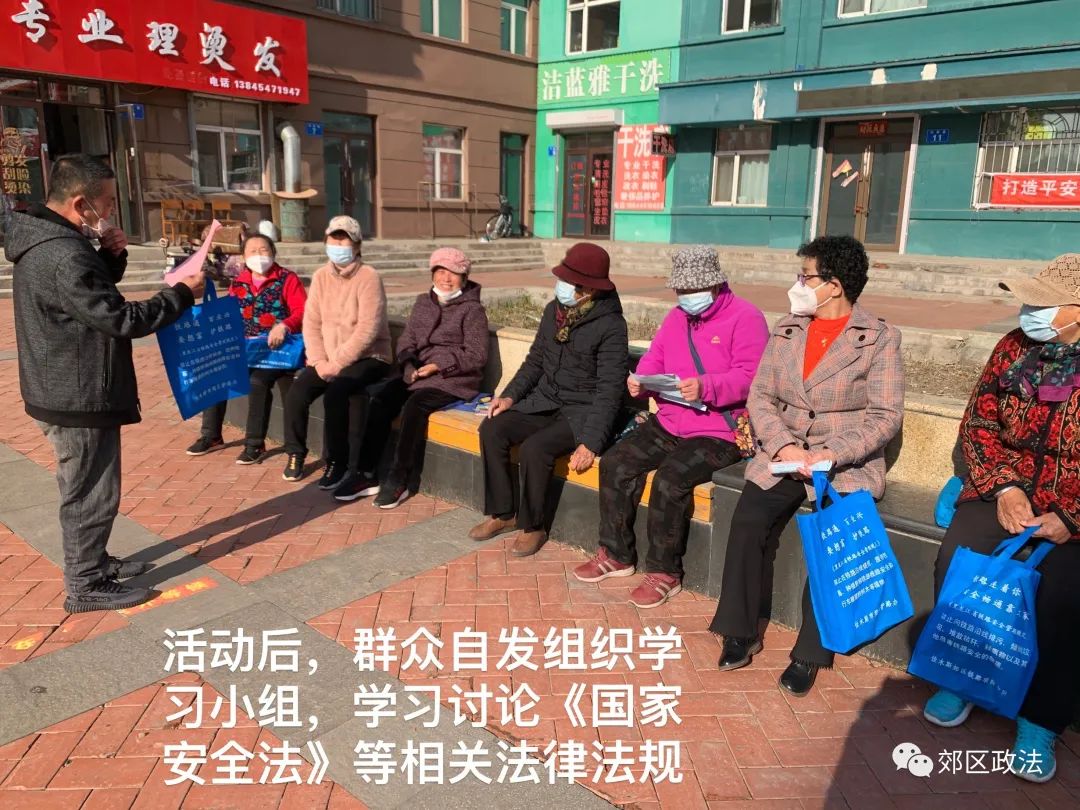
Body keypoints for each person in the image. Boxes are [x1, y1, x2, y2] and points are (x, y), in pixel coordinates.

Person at [8, 153, 205, 613]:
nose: (112, 210)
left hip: (63, 384)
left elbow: (85, 298)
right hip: (76, 394)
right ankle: (85, 584)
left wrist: (110, 257)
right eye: (108, 202)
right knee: (90, 492)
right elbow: (120, 318)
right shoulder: (62, 254)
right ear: (81, 204)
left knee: (88, 487)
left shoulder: (51, 239)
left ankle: (94, 561)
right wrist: (180, 295)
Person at [709, 235, 904, 696]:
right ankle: (738, 630)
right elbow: (761, 396)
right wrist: (782, 447)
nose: (798, 284)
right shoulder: (788, 328)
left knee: (833, 536)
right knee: (749, 519)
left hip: (842, 461)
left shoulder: (879, 338)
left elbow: (885, 416)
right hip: (785, 454)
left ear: (834, 285)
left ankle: (810, 653)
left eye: (806, 276)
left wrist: (830, 454)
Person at [919, 254, 1080, 784]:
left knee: (1062, 595)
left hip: (1071, 506)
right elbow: (979, 423)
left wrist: (1070, 517)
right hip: (1006, 487)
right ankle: (961, 676)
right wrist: (1005, 488)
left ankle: (1041, 718)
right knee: (957, 556)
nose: (1029, 311)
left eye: (1043, 303)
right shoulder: (1013, 347)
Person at [573, 246, 770, 608]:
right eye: (681, 290)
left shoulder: (747, 318)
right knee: (616, 462)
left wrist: (707, 386)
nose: (686, 296)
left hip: (719, 431)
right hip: (669, 420)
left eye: (692, 290)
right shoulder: (676, 317)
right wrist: (641, 381)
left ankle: (665, 572)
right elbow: (655, 358)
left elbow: (751, 377)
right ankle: (616, 554)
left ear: (715, 284)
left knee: (670, 479)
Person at [469, 243, 629, 557]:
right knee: (493, 429)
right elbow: (535, 361)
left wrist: (591, 442)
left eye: (570, 282)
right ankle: (503, 513)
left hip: (581, 413)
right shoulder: (553, 311)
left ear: (589, 290)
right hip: (545, 399)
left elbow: (610, 389)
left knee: (535, 448)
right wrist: (510, 396)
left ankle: (533, 526)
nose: (562, 286)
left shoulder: (611, 325)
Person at [358, 248, 489, 508]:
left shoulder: (473, 310)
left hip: (452, 378)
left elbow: (477, 355)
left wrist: (438, 366)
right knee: (381, 398)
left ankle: (399, 478)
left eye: (453, 273)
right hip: (416, 372)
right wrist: (408, 364)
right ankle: (365, 472)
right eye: (440, 271)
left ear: (464, 277)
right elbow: (407, 339)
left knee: (415, 407)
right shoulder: (423, 302)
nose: (446, 278)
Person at [281, 216, 392, 497]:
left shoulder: (369, 277)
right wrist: (319, 361)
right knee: (298, 391)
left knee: (337, 393)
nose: (339, 245)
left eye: (345, 240)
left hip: (370, 357)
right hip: (327, 358)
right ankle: (295, 453)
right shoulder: (320, 276)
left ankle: (337, 463)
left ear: (357, 245)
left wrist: (337, 363)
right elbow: (311, 323)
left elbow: (368, 330)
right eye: (334, 239)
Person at [186, 234, 306, 464]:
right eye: (252, 251)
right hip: (245, 348)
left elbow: (302, 310)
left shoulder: (287, 279)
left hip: (275, 351)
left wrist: (284, 326)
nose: (259, 255)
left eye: (264, 250)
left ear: (273, 252)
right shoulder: (239, 281)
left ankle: (255, 443)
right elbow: (230, 313)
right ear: (243, 256)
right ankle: (211, 435)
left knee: (257, 382)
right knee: (216, 371)